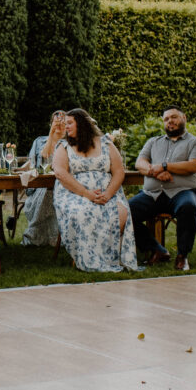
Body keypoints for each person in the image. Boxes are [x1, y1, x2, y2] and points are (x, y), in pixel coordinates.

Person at [52, 109, 138, 272]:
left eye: (70, 123)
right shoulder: (64, 146)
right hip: (74, 194)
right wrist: (87, 194)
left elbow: (119, 171)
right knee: (83, 211)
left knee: (121, 212)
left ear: (82, 124)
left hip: (107, 193)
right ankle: (88, 257)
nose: (66, 127)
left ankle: (107, 256)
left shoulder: (105, 143)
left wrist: (108, 194)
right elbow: (60, 173)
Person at [129, 106, 196, 272]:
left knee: (188, 207)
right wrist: (155, 172)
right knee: (124, 212)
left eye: (174, 117)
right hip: (153, 194)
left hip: (182, 192)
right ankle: (157, 249)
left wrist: (165, 166)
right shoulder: (153, 142)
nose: (170, 122)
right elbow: (140, 163)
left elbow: (193, 165)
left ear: (184, 118)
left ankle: (182, 256)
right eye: (166, 119)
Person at [19, 110, 66, 246]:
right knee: (47, 190)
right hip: (39, 188)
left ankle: (33, 234)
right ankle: (50, 238)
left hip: (63, 188)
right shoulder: (40, 141)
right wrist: (52, 134)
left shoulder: (71, 143)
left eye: (63, 121)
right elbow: (42, 159)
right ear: (51, 123)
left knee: (50, 191)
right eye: (56, 121)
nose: (59, 124)